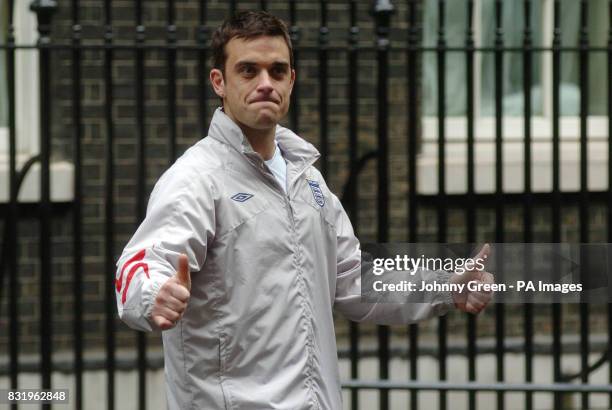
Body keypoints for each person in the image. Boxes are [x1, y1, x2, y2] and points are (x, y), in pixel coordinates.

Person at [115, 11, 493, 409]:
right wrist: (152, 293)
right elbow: (139, 264)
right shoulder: (196, 179)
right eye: (248, 70)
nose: (265, 84)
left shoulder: (306, 179)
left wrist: (446, 288)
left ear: (291, 81)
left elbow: (353, 279)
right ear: (219, 83)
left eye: (277, 71)